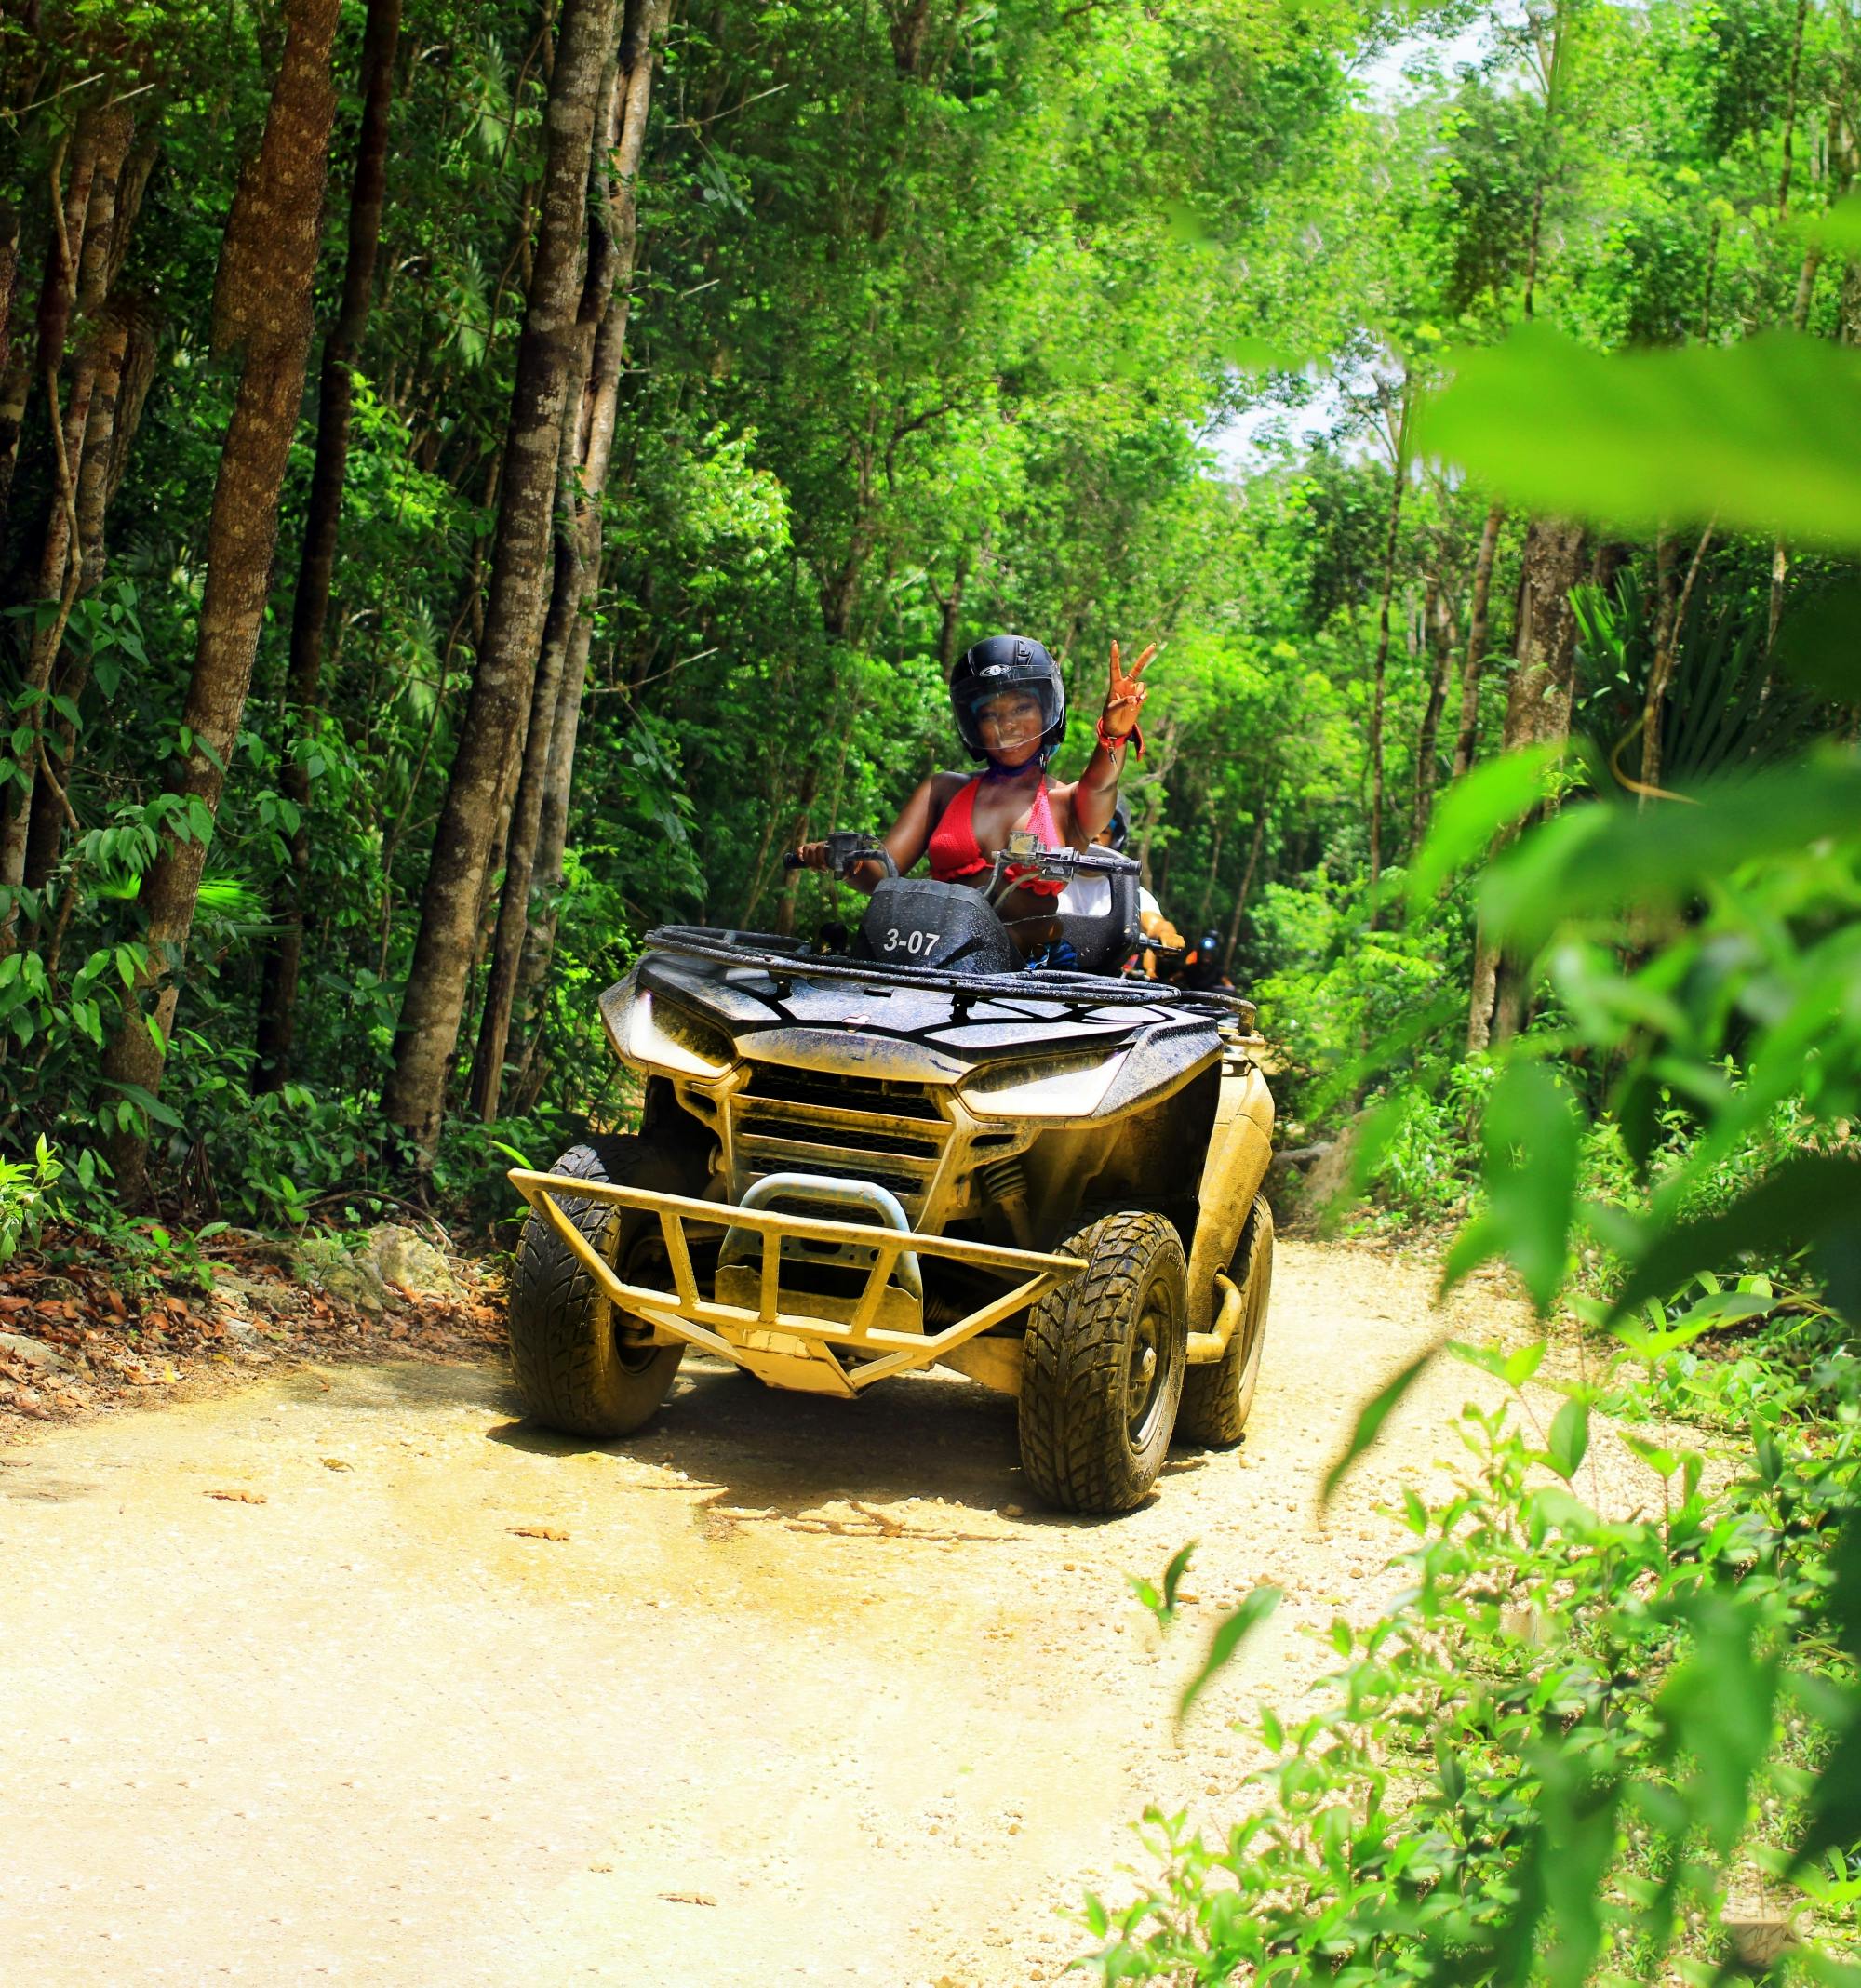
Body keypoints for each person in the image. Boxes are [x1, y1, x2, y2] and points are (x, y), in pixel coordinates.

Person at [797, 633, 1156, 947]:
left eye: (1022, 707)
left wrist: (1113, 735)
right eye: (989, 714)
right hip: (928, 957)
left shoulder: (1067, 803)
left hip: (1024, 978)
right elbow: (883, 877)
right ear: (973, 724)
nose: (1007, 724)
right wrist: (846, 861)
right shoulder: (942, 790)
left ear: (1048, 711)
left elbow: (1102, 783)